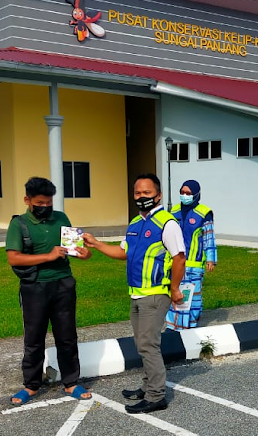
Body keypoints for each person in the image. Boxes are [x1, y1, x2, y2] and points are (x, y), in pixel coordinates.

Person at [83, 173, 186, 414]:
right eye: (138, 193)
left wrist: (174, 289)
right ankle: (148, 386)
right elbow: (124, 253)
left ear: (158, 195)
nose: (141, 197)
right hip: (137, 294)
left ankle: (156, 396)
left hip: (155, 294)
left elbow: (179, 258)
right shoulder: (135, 223)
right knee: (142, 345)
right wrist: (97, 244)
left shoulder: (167, 223)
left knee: (148, 345)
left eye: (147, 193)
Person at [6, 177, 93, 406]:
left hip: (63, 283)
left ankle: (71, 382)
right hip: (35, 286)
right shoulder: (19, 224)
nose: (45, 207)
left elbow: (75, 249)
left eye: (48, 203)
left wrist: (85, 254)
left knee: (67, 335)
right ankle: (31, 385)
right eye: (40, 203)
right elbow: (13, 257)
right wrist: (48, 256)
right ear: (27, 200)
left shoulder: (61, 218)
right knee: (34, 338)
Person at [165, 179, 217, 331]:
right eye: (182, 192)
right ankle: (173, 326)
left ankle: (191, 325)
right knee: (175, 293)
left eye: (188, 193)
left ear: (196, 194)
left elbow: (208, 237)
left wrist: (211, 258)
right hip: (175, 262)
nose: (184, 195)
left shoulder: (204, 213)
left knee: (193, 298)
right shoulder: (173, 212)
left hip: (194, 264)